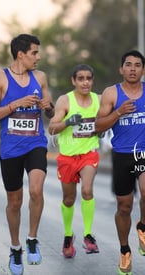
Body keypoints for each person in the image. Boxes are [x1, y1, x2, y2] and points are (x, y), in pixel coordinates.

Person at [95, 50, 145, 275]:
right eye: (128, 64)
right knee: (124, 206)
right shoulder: (111, 93)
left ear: (143, 70)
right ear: (121, 69)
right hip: (122, 155)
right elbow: (98, 126)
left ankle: (143, 226)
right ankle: (125, 250)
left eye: (138, 65)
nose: (133, 69)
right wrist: (118, 112)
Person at [0, 34, 54, 275]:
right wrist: (16, 103)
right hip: (11, 148)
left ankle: (32, 239)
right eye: (35, 52)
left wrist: (48, 107)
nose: (39, 57)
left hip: (35, 142)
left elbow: (50, 112)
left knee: (36, 190)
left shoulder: (41, 77)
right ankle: (15, 248)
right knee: (14, 203)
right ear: (20, 54)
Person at [48, 64, 100, 258]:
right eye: (81, 78)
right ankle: (68, 235)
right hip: (68, 156)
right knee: (69, 199)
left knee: (87, 190)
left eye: (88, 78)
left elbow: (109, 119)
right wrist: (69, 122)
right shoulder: (65, 100)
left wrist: (101, 128)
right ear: (74, 81)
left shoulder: (98, 100)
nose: (85, 82)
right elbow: (52, 129)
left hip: (88, 154)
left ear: (92, 80)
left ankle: (88, 234)